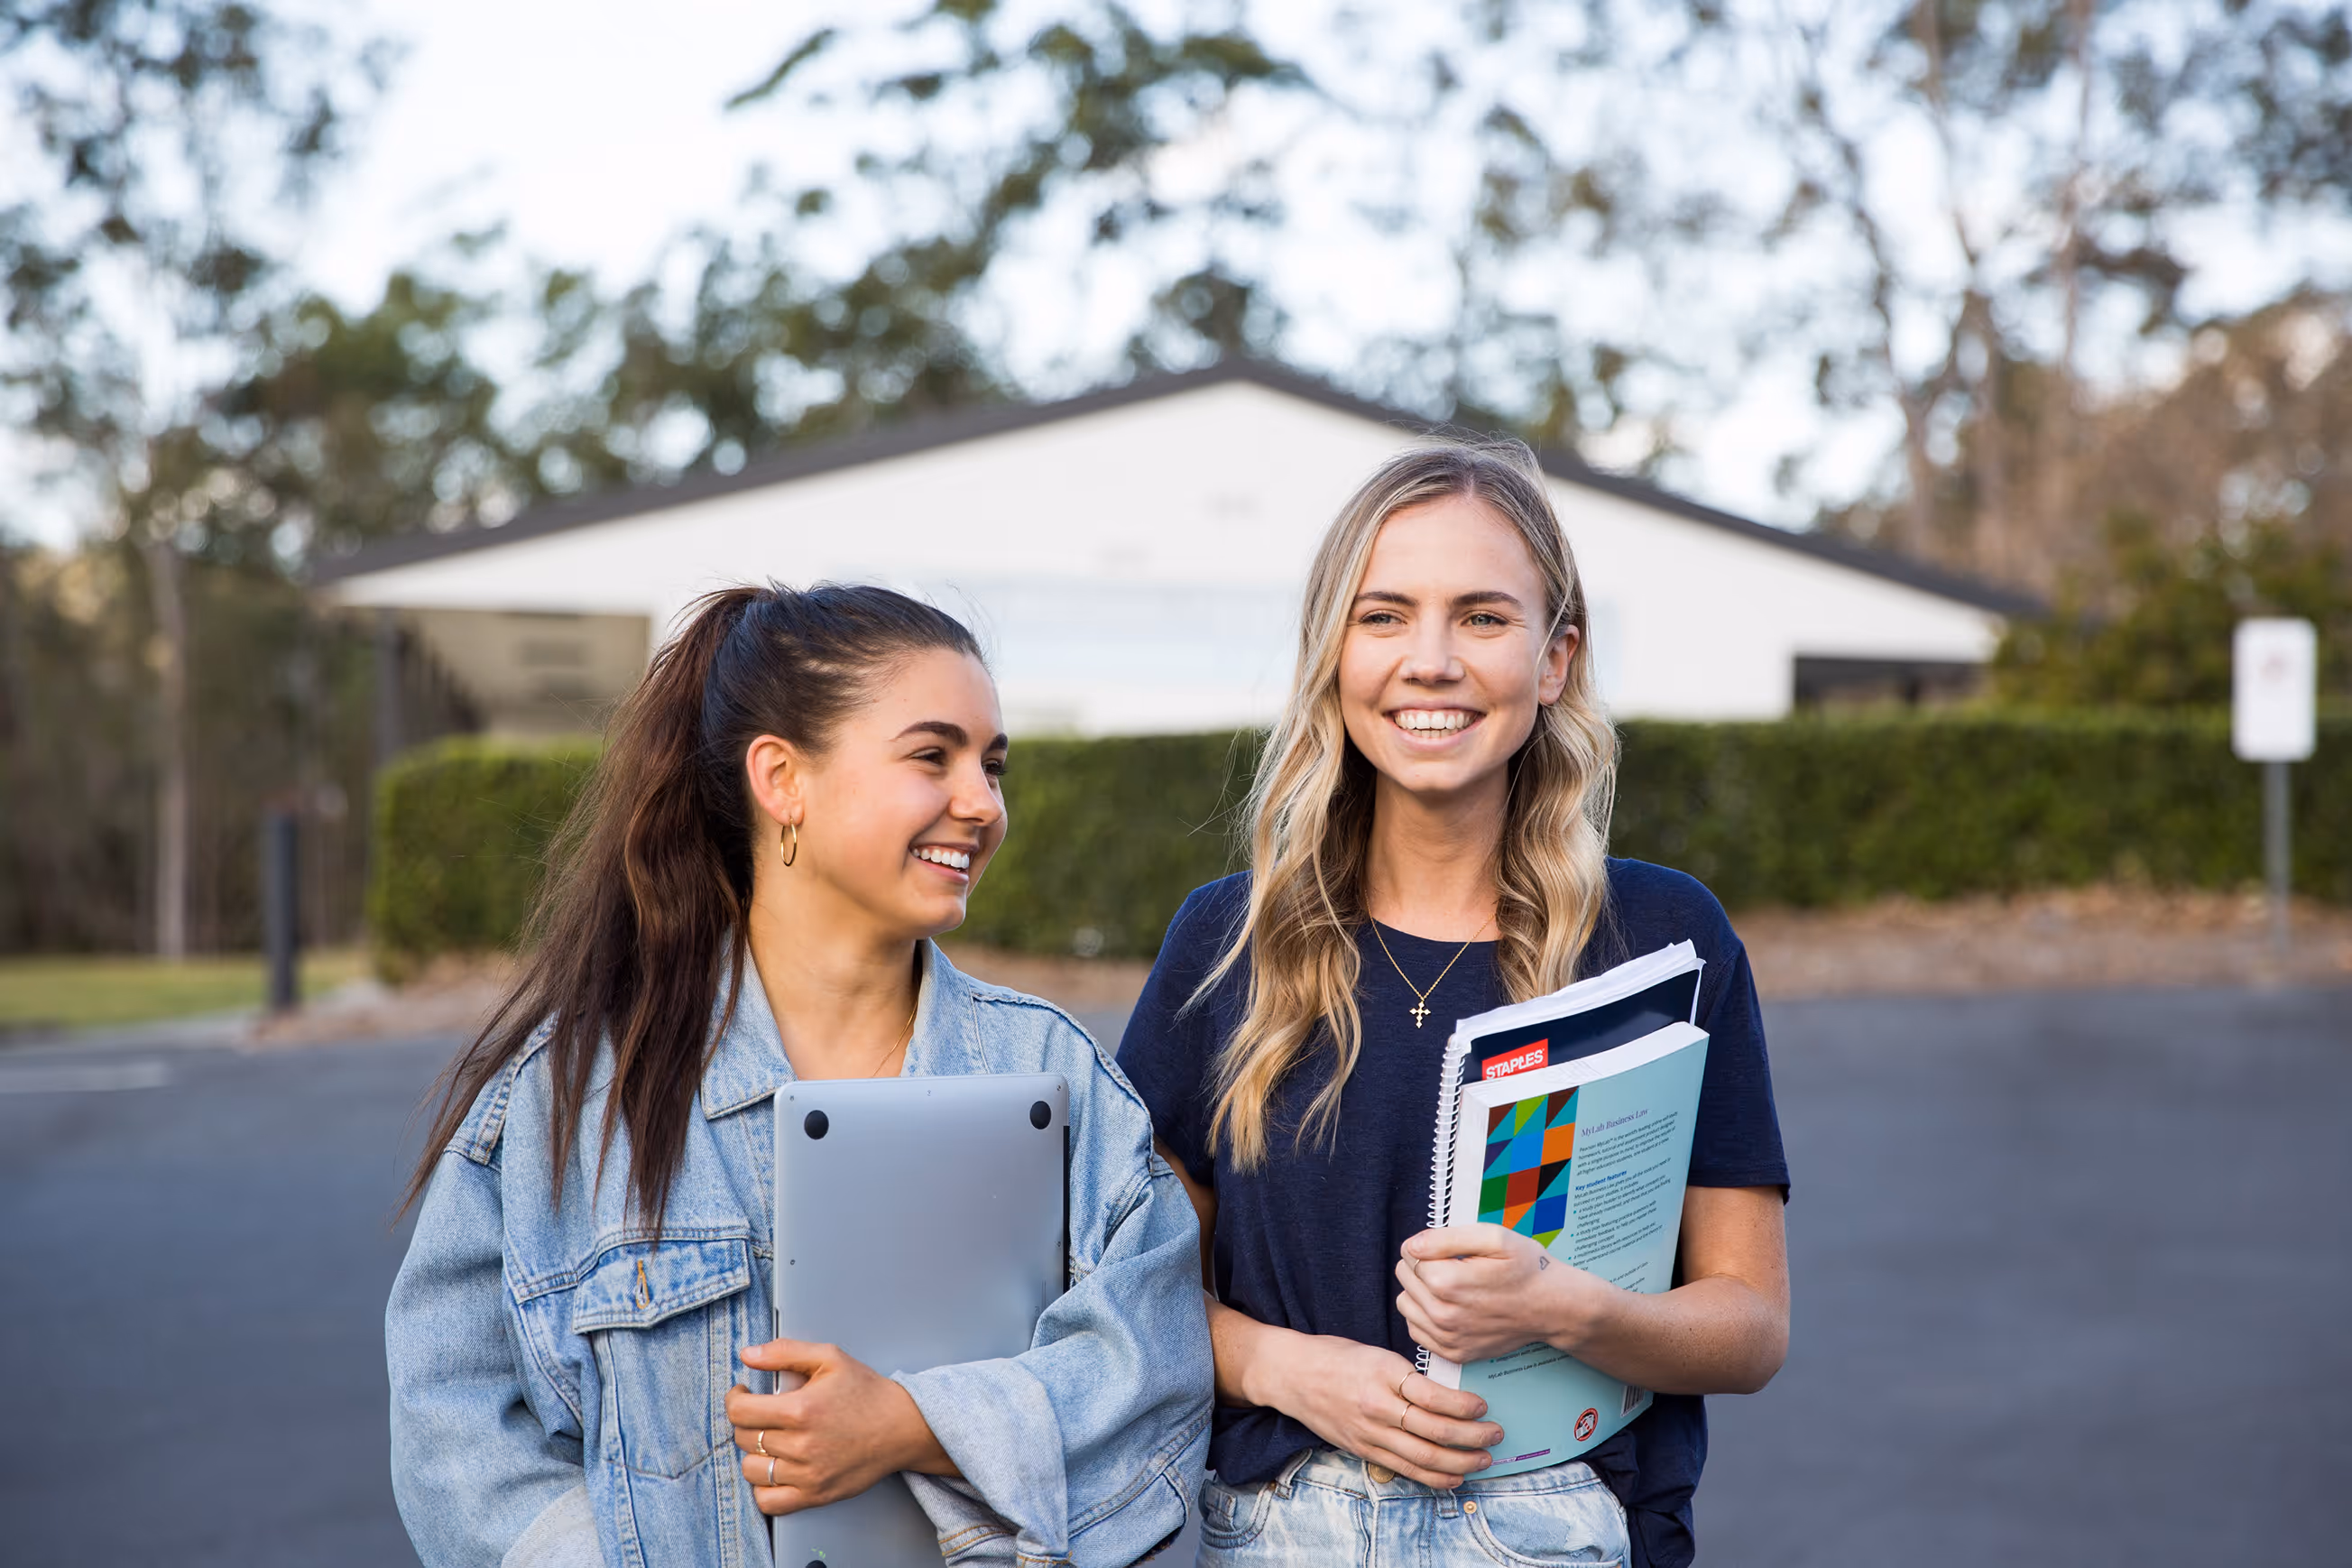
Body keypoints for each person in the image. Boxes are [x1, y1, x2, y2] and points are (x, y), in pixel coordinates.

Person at [386, 584, 1210, 1568]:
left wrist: (914, 1421)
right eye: (931, 756)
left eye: (993, 767)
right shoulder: (567, 1100)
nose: (983, 803)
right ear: (782, 778)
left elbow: (1154, 1376)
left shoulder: (1055, 1072)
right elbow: (455, 1427)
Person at [1118, 438, 1790, 1568]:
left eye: (1482, 618)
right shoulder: (1227, 940)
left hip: (1562, 1525)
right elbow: (1130, 1288)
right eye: (1384, 617)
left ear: (1555, 657)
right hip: (1289, 1528)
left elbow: (1753, 1327)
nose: (1429, 661)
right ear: (1333, 653)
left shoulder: (1663, 943)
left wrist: (1561, 1308)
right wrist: (1286, 1368)